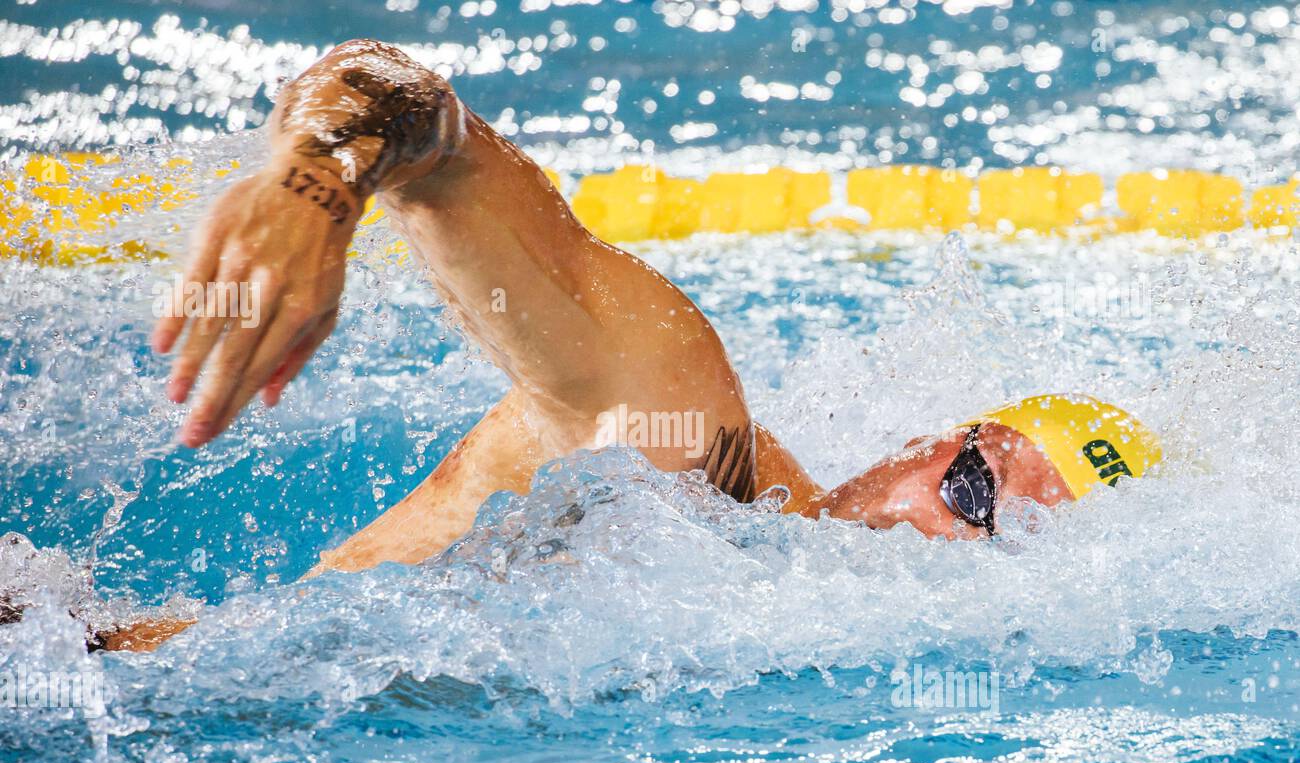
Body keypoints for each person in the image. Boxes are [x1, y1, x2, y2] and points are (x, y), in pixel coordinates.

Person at [14, 40, 1163, 651]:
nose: (947, 543)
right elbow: (407, 103)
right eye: (969, 485)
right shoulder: (689, 456)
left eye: (1009, 554)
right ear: (924, 444)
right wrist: (314, 183)